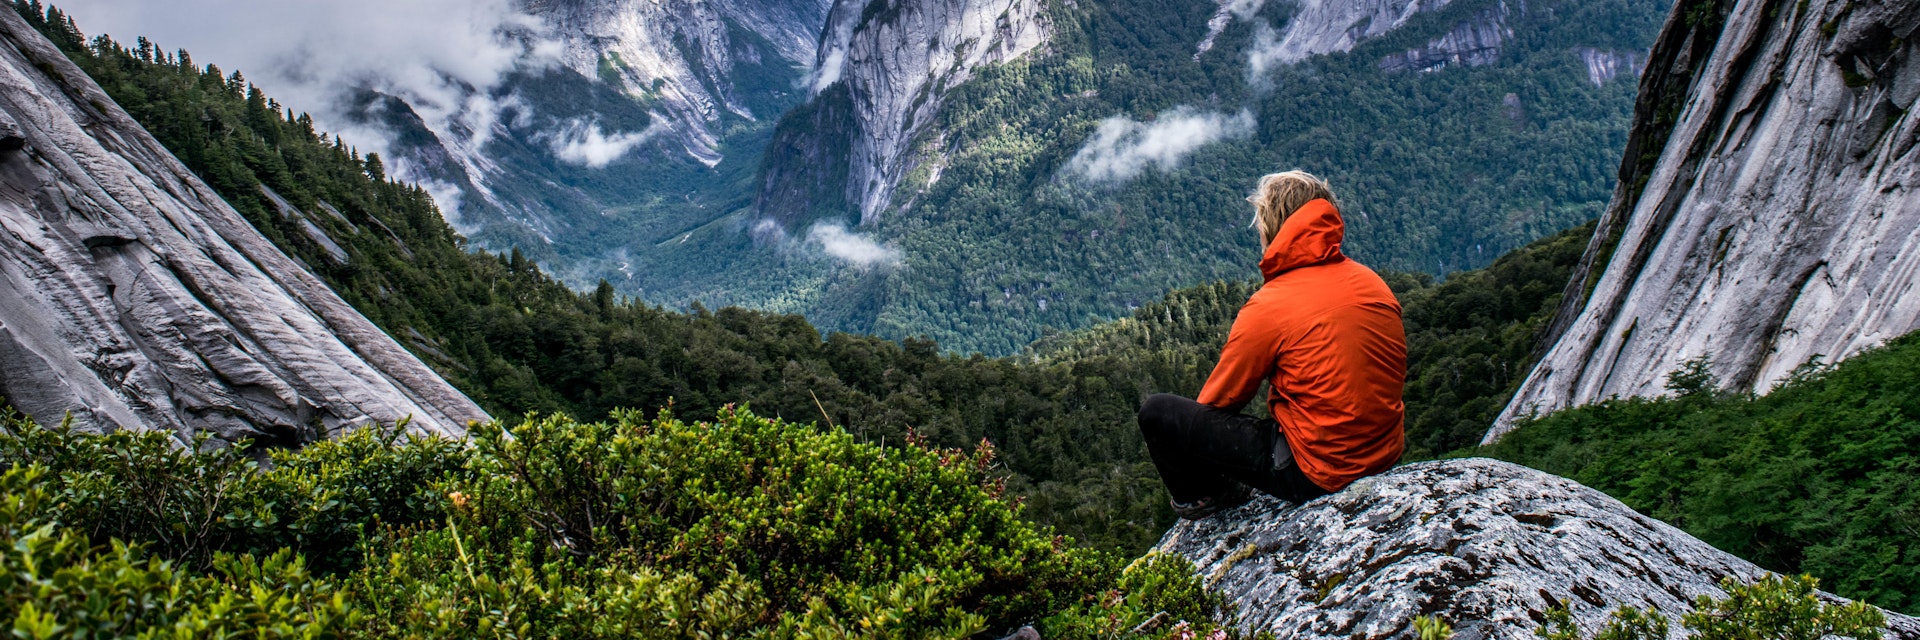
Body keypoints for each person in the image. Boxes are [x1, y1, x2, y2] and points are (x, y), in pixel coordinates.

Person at [1137, 170, 1406, 519]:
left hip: (1317, 474)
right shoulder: (1371, 282)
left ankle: (1204, 498)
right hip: (1384, 455)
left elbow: (1218, 402)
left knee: (1159, 414)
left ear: (1273, 227)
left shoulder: (1272, 305)